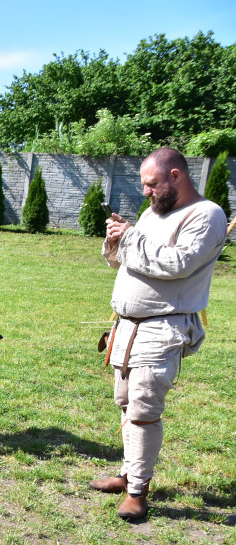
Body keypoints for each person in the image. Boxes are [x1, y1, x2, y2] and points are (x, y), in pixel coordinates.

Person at [90, 147, 228, 521]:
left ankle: (138, 491)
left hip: (162, 327)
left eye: (151, 184)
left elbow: (178, 264)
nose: (146, 192)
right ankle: (127, 472)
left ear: (176, 176)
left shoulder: (207, 215)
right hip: (127, 327)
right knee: (125, 402)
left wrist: (132, 237)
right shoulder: (152, 214)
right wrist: (118, 238)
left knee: (144, 410)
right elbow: (127, 259)